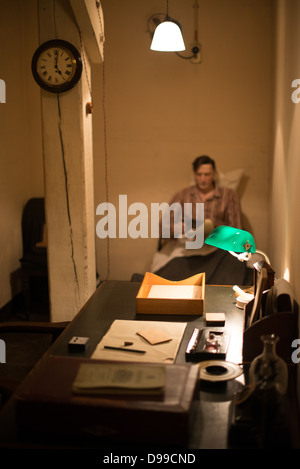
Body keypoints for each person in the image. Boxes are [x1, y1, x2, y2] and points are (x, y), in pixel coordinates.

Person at [168, 155, 242, 238]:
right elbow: (163, 226)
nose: (202, 180)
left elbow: (236, 228)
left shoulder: (228, 195)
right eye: (199, 175)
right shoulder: (182, 195)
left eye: (207, 175)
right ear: (194, 174)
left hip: (218, 243)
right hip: (187, 243)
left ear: (214, 173)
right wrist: (174, 228)